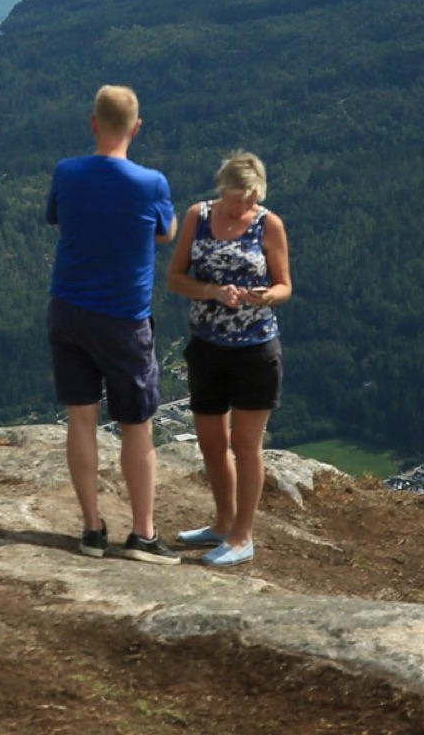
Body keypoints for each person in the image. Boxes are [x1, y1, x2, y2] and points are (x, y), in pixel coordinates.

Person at [47, 83, 177, 559]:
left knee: (81, 420)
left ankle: (91, 530)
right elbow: (164, 234)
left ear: (93, 122)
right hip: (124, 319)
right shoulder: (151, 183)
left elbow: (59, 218)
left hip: (68, 309)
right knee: (136, 425)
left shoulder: (67, 173)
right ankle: (143, 534)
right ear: (136, 128)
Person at [164, 150, 290, 569]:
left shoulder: (268, 224)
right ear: (222, 188)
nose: (243, 207)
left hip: (256, 349)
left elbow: (284, 285)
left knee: (246, 446)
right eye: (237, 198)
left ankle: (242, 536)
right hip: (207, 347)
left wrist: (267, 296)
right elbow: (175, 278)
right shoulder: (198, 217)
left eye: (250, 198)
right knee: (212, 442)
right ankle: (221, 522)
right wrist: (213, 292)